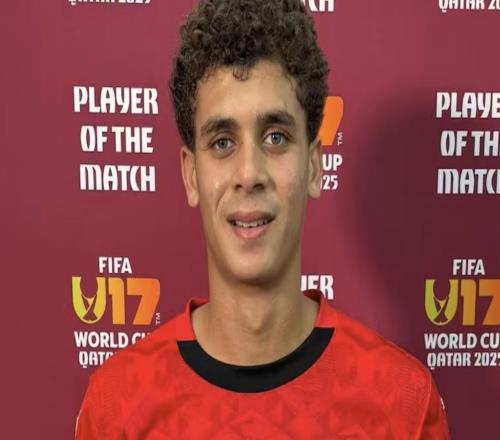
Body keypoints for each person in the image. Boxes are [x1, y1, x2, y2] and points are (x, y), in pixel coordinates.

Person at [75, 0, 451, 438]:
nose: (249, 173)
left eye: (275, 137)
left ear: (314, 166)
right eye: (222, 142)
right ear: (191, 175)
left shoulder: (401, 403)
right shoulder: (117, 407)